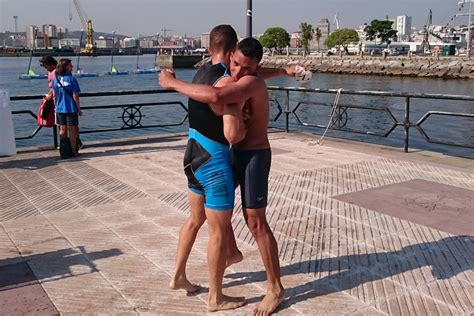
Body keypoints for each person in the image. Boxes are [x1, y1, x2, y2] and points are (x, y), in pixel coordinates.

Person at [160, 38, 295, 315]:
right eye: (235, 64)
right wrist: (282, 70)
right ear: (229, 55)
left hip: (254, 157)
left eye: (247, 69)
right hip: (234, 155)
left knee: (256, 223)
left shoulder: (251, 83)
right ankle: (230, 252)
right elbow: (238, 78)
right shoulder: (235, 73)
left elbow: (217, 97)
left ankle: (275, 288)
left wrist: (172, 83)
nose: (238, 72)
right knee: (212, 210)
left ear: (255, 69)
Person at [52, 58, 82, 158]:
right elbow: (75, 96)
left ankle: (63, 150)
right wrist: (78, 108)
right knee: (72, 130)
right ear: (66, 67)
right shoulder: (72, 79)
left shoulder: (55, 79)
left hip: (59, 108)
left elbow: (54, 95)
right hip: (70, 108)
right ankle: (73, 151)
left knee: (62, 129)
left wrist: (56, 107)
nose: (72, 67)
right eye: (70, 65)